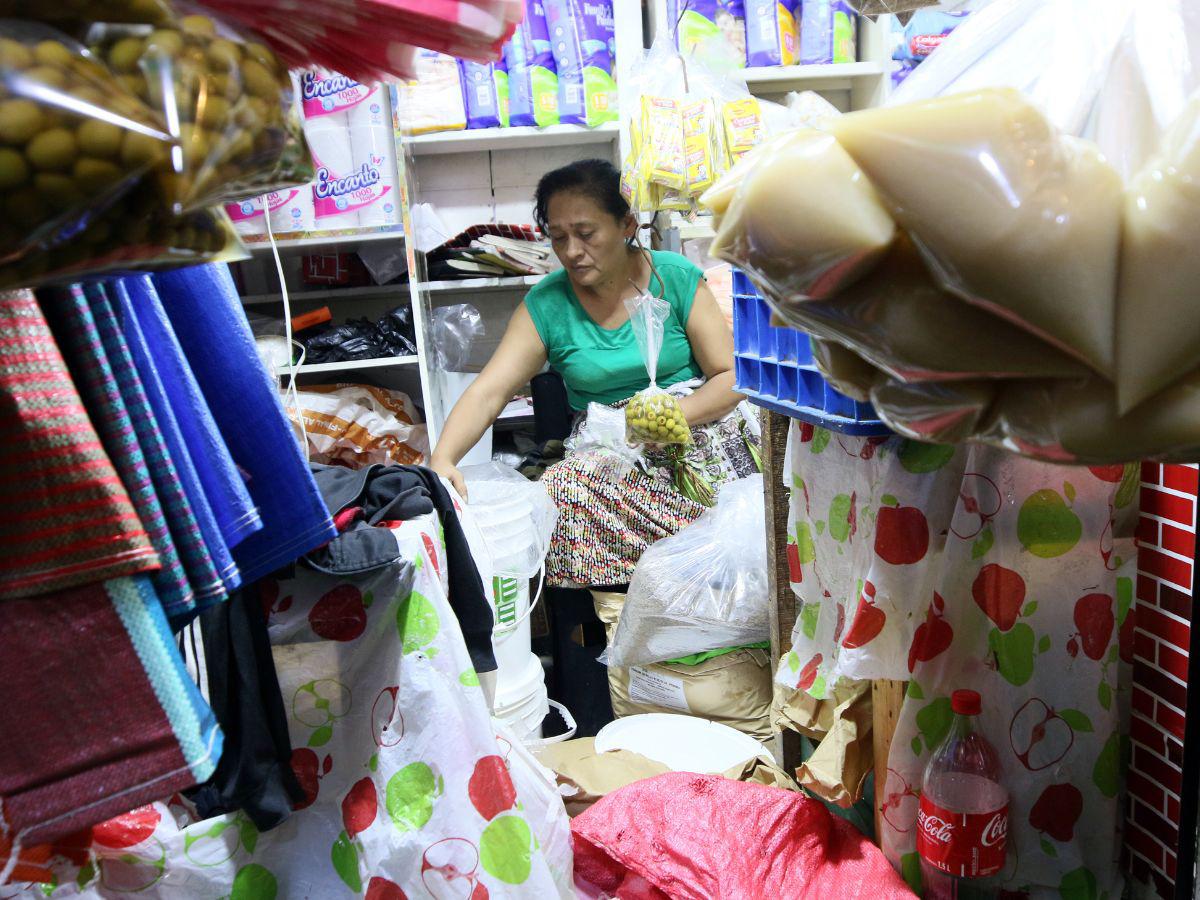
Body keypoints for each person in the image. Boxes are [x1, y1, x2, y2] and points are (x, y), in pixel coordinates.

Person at [429, 158, 760, 590]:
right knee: (565, 490)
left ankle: (709, 553)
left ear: (626, 224)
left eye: (586, 234)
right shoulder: (547, 304)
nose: (570, 251)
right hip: (611, 445)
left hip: (696, 425)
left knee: (751, 487)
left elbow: (729, 376)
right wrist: (443, 459)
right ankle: (687, 562)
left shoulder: (675, 278)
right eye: (558, 237)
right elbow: (489, 391)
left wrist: (671, 418)